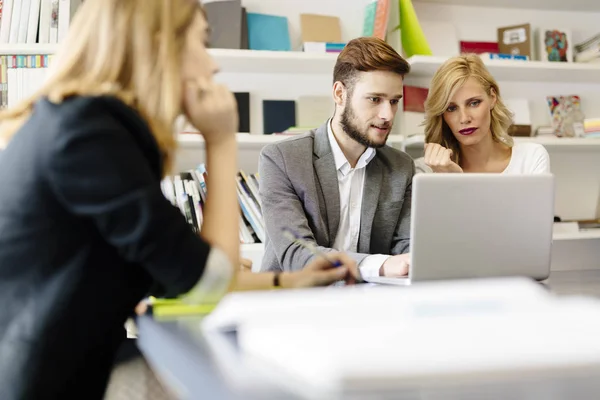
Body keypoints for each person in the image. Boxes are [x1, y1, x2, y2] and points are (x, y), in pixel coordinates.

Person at [0, 1, 357, 399]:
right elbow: (207, 281)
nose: (213, 66)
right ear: (159, 44)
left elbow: (176, 279)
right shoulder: (91, 137)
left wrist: (290, 281)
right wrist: (221, 142)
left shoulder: (78, 123)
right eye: (202, 42)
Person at [258, 37, 415, 279]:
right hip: (294, 303)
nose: (387, 115)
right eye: (375, 99)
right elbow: (297, 254)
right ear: (340, 94)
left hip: (370, 305)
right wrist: (380, 265)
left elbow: (406, 250)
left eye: (394, 102)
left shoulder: (401, 167)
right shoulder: (282, 159)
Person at [419, 54, 550, 174]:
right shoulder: (426, 170)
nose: (464, 119)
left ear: (492, 97)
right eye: (451, 108)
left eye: (474, 103)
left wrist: (457, 180)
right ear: (441, 114)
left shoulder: (530, 158)